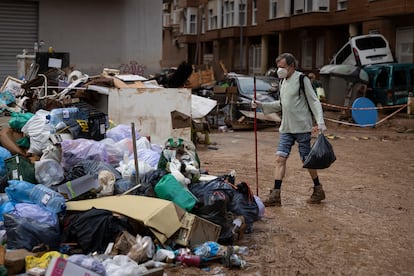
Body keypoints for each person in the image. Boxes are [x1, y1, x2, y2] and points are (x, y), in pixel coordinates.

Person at [252, 53, 327, 206]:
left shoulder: (302, 79)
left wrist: (320, 121)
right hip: (286, 127)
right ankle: (276, 195)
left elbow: (314, 101)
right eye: (278, 67)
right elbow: (282, 104)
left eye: (282, 67)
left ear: (292, 66)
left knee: (307, 160)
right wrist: (261, 105)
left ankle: (318, 189)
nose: (279, 70)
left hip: (302, 127)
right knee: (280, 159)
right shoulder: (283, 82)